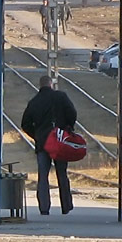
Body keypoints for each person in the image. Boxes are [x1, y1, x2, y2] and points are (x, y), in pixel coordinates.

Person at [20, 74, 78, 216]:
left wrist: (36, 135)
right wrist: (67, 128)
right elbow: (72, 113)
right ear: (51, 84)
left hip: (42, 143)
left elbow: (25, 124)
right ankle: (66, 206)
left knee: (43, 175)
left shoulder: (34, 101)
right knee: (62, 173)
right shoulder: (61, 97)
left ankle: (44, 208)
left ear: (40, 85)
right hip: (59, 141)